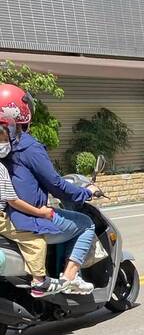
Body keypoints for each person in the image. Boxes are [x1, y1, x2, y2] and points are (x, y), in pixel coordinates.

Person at [0, 84, 96, 295]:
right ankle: (70, 278)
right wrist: (86, 192)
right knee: (86, 225)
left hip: (7, 218)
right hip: (30, 219)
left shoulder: (4, 146)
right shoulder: (28, 146)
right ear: (22, 111)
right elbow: (55, 184)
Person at [0, 119, 62, 296]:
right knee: (35, 241)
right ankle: (39, 282)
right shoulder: (2, 168)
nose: (4, 144)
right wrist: (39, 212)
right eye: (3, 140)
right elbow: (13, 201)